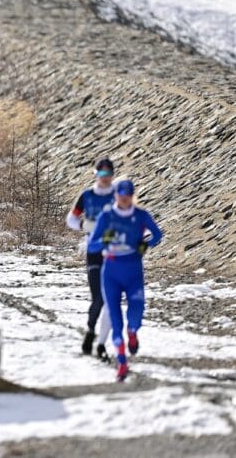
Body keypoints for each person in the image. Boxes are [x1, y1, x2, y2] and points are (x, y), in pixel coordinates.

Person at [88, 179, 163, 382]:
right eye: (121, 194)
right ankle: (122, 363)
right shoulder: (107, 216)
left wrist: (143, 246)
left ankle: (133, 332)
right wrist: (105, 239)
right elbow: (92, 246)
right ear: (115, 195)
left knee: (136, 311)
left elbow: (157, 234)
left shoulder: (140, 215)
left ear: (132, 196)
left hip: (133, 270)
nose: (124, 198)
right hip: (111, 271)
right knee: (115, 317)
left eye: (128, 195)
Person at [66, 158, 115, 361]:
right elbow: (71, 219)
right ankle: (90, 330)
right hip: (93, 251)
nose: (105, 178)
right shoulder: (86, 196)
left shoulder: (117, 195)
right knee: (98, 297)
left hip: (114, 252)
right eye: (101, 174)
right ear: (95, 175)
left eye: (108, 175)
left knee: (110, 299)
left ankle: (102, 342)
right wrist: (84, 226)